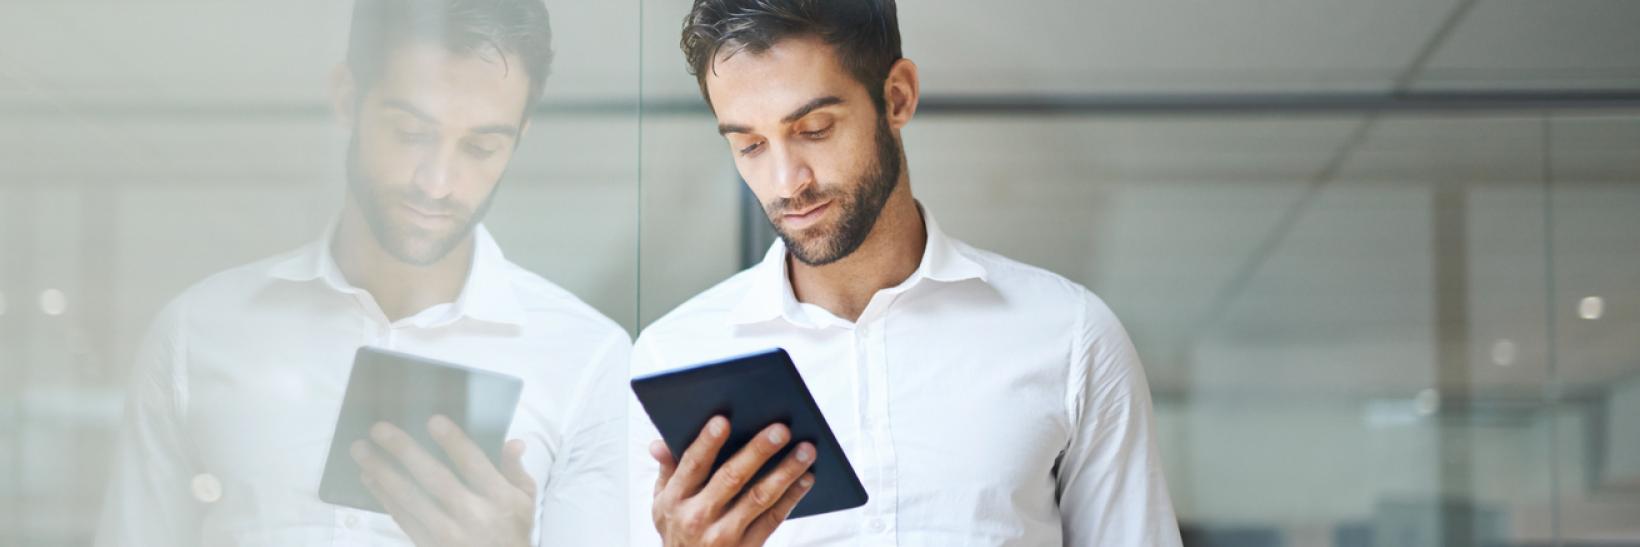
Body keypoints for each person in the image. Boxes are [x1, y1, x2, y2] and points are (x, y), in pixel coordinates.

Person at [627, 1, 1182, 545]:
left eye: (815, 128)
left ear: (897, 97)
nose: (785, 182)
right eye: (749, 145)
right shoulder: (675, 356)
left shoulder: (1071, 337)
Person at [96, 1, 627, 545]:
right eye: (411, 133)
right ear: (348, 99)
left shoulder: (586, 359)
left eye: (481, 147)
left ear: (519, 136)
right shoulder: (196, 333)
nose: (438, 182)